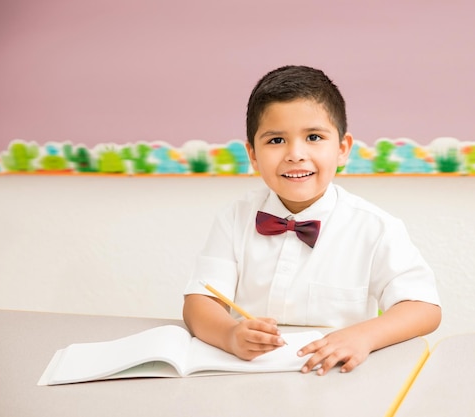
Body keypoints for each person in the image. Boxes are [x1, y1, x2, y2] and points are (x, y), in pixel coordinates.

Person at [182, 65, 441, 375]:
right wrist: (229, 335)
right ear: (252, 154)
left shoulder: (375, 227)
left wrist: (364, 336)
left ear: (343, 149)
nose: (295, 154)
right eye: (276, 141)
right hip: (243, 375)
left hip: (335, 377)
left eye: (314, 137)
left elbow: (424, 308)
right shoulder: (234, 218)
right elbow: (200, 302)